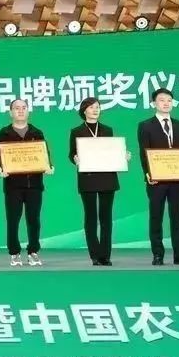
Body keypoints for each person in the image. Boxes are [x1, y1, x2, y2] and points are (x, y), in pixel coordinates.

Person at [137, 88, 179, 267]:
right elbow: (144, 152)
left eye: (169, 100)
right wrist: (148, 173)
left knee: (178, 217)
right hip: (157, 180)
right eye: (162, 100)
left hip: (178, 180)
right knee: (156, 217)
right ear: (154, 103)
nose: (166, 103)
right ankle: (158, 254)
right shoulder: (145, 125)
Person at [0, 98, 53, 267]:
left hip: (34, 184)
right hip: (13, 185)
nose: (20, 110)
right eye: (16, 108)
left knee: (34, 220)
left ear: (28, 111)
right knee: (13, 220)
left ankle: (33, 251)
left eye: (24, 107)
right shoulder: (4, 133)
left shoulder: (36, 132)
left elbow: (44, 154)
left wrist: (49, 166)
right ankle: (14, 252)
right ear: (10, 112)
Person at [69, 97, 126, 266]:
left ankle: (105, 255)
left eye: (98, 107)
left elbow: (112, 151)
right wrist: (75, 158)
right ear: (84, 110)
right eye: (92, 107)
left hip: (107, 177)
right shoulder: (77, 131)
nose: (95, 110)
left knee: (106, 217)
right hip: (87, 177)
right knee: (91, 217)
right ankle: (94, 255)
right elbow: (71, 153)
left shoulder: (107, 130)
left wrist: (122, 156)